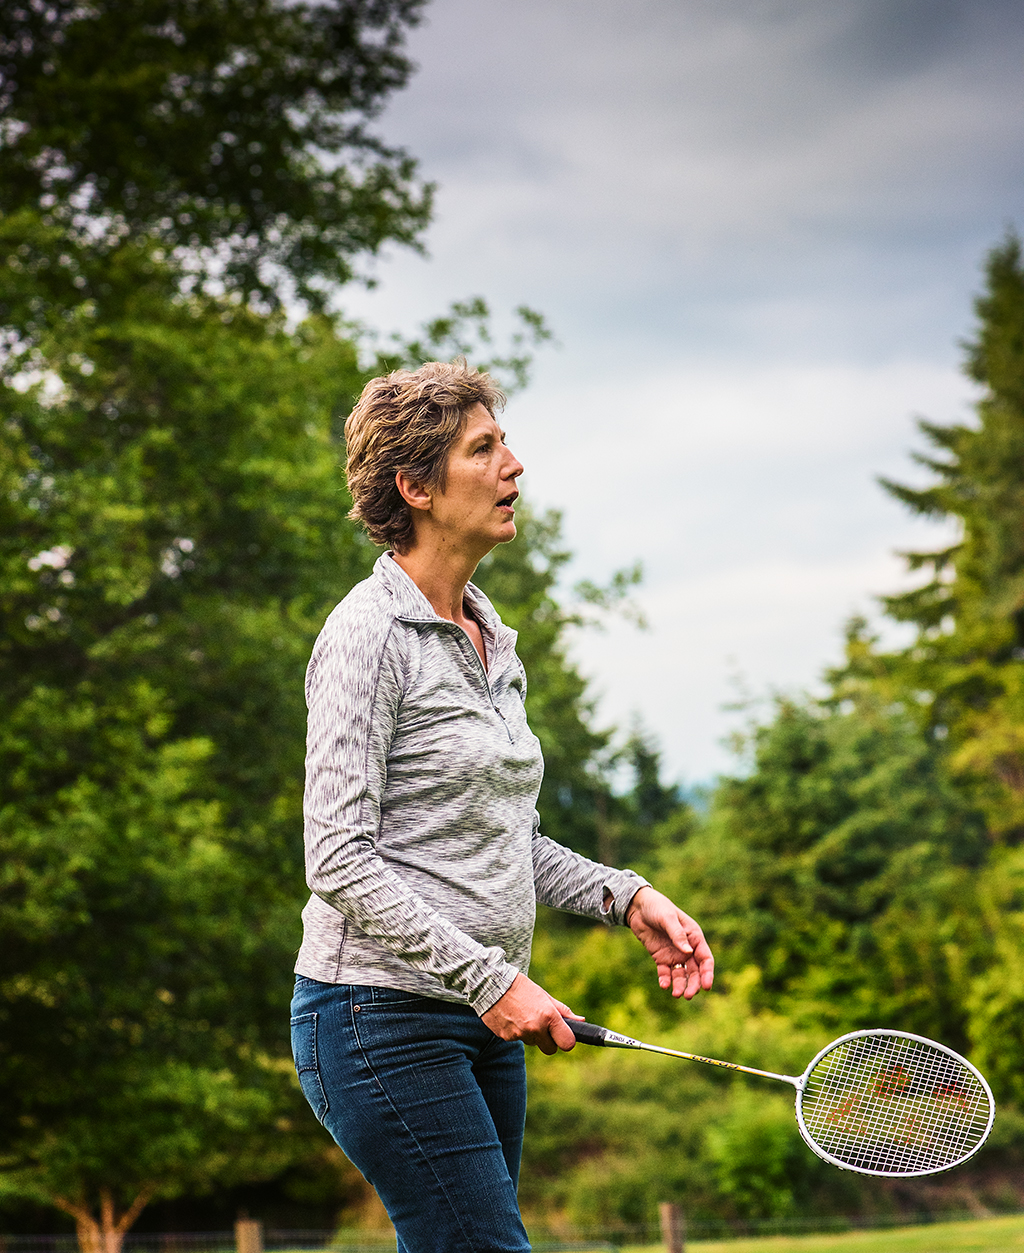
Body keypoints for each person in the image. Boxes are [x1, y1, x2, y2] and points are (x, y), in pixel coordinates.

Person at [290, 361, 714, 1253]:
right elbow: (336, 857)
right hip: (379, 1017)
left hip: (477, 1018)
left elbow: (507, 837)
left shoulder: (492, 639)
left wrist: (626, 894)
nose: (514, 465)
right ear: (415, 486)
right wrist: (491, 981)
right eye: (484, 448)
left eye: (504, 442)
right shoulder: (367, 636)